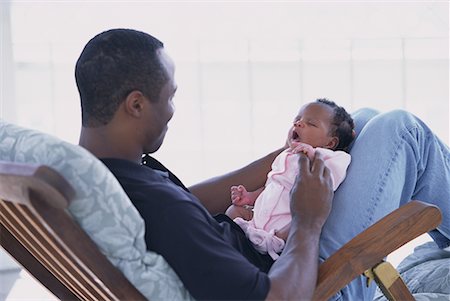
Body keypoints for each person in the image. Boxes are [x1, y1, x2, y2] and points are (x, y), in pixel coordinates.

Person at [75, 28, 450, 301]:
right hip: (311, 280)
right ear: (136, 104)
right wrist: (307, 221)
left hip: (279, 255)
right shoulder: (158, 207)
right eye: (169, 97)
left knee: (362, 121)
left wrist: (281, 157)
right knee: (401, 130)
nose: (172, 110)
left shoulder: (107, 178)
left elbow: (187, 201)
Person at [226, 99, 355, 260]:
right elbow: (272, 186)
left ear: (330, 143)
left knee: (295, 227)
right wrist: (250, 197)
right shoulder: (286, 156)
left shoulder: (331, 157)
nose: (299, 123)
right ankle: (247, 241)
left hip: (284, 227)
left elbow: (332, 178)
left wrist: (314, 156)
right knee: (234, 211)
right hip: (257, 222)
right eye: (297, 119)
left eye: (311, 123)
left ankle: (275, 241)